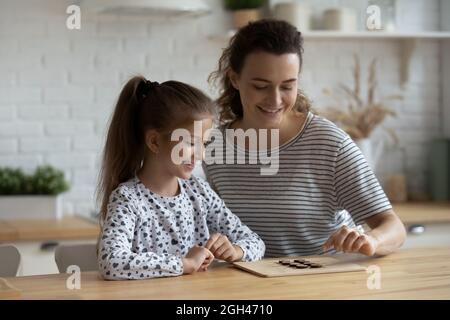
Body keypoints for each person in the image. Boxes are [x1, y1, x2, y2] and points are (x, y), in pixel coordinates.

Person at [204, 19, 406, 258]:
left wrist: (370, 240)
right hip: (246, 287)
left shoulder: (329, 144)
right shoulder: (214, 146)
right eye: (261, 86)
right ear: (235, 79)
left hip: (318, 286)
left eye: (287, 86)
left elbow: (393, 227)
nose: (275, 100)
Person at [96, 76, 265, 280]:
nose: (200, 154)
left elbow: (255, 242)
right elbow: (111, 262)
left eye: (204, 144)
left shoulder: (199, 192)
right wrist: (184, 264)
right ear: (155, 141)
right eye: (191, 143)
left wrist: (236, 251)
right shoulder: (128, 199)